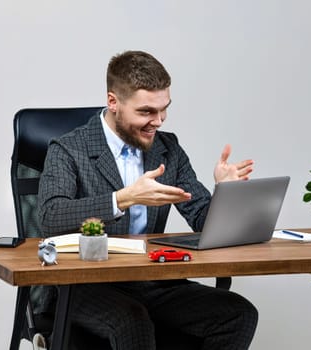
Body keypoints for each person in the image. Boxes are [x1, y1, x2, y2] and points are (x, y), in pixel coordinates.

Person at [37, 50, 258, 349]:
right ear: (113, 102)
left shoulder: (167, 149)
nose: (158, 121)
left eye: (163, 109)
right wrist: (123, 198)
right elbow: (51, 216)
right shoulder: (68, 149)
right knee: (133, 320)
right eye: (146, 112)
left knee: (237, 314)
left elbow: (202, 218)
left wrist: (226, 194)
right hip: (83, 285)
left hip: (150, 279)